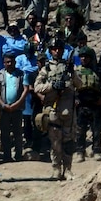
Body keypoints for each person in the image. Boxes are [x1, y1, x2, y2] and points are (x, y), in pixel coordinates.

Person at [34, 38, 83, 179]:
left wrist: (72, 74)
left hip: (68, 111)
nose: (57, 51)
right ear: (50, 51)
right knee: (55, 143)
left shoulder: (69, 68)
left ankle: (68, 170)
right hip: (53, 111)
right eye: (54, 49)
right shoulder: (46, 69)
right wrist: (51, 86)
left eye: (59, 49)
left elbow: (79, 85)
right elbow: (37, 87)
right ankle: (56, 169)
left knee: (68, 142)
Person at [74, 47, 101, 160]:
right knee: (80, 130)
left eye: (86, 57)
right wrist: (74, 99)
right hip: (81, 103)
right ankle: (80, 152)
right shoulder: (76, 71)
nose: (83, 59)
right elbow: (71, 86)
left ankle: (97, 150)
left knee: (96, 129)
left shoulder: (98, 70)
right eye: (82, 57)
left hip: (95, 103)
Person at [0, 52, 27, 161]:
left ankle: (18, 155)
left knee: (18, 133)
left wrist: (17, 104)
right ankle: (7, 156)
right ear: (4, 63)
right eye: (7, 62)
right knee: (5, 134)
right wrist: (3, 104)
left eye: (12, 61)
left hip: (17, 108)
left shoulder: (21, 74)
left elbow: (25, 90)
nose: (10, 63)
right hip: (3, 109)